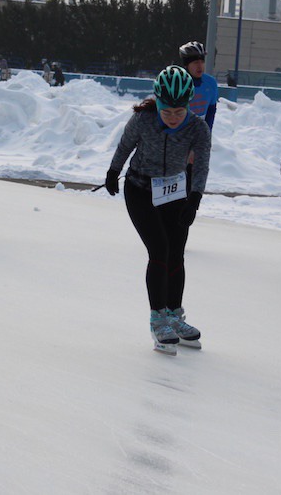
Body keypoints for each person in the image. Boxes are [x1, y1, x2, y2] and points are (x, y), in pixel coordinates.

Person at [105, 65, 212, 355]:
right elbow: (125, 145)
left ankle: (174, 316)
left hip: (174, 192)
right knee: (160, 249)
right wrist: (113, 171)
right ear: (158, 104)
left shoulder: (198, 128)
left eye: (179, 112)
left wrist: (195, 199)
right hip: (140, 189)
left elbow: (201, 165)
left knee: (176, 252)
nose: (173, 118)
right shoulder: (143, 119)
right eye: (167, 112)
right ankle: (158, 319)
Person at [179, 41, 219, 130]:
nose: (200, 66)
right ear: (187, 65)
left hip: (199, 131)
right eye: (196, 62)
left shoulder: (210, 83)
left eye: (202, 62)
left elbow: (211, 112)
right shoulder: (178, 84)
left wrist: (207, 133)